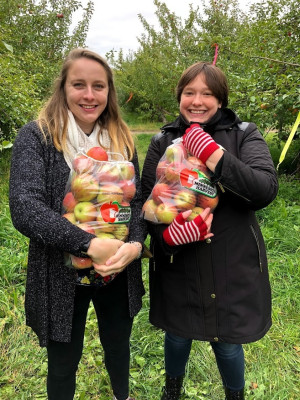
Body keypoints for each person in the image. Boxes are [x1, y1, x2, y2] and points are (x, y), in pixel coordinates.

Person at [9, 48, 145, 400]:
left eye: (98, 86)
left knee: (118, 347)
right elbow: (25, 207)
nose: (89, 95)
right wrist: (87, 244)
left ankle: (122, 395)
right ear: (63, 88)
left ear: (108, 92)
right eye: (79, 84)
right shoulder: (38, 136)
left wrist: (134, 246)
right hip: (60, 272)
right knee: (63, 361)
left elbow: (140, 201)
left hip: (117, 268)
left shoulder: (121, 140)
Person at [141, 61, 278, 400]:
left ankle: (235, 395)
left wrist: (215, 156)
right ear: (179, 97)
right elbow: (146, 204)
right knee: (177, 335)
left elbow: (264, 190)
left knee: (228, 343)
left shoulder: (244, 133)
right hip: (180, 265)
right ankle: (171, 390)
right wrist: (168, 239)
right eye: (189, 92)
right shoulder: (163, 140)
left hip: (231, 261)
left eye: (208, 93)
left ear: (221, 99)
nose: (197, 101)